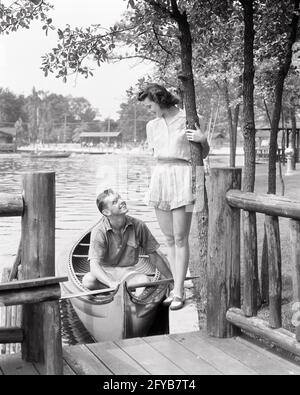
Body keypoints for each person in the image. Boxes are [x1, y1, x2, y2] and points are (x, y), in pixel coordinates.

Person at [138, 83, 210, 310]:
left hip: (184, 177)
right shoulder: (152, 126)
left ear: (159, 100)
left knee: (181, 238)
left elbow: (202, 154)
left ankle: (179, 291)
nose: (148, 110)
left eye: (150, 105)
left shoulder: (190, 118)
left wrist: (203, 139)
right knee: (168, 239)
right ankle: (174, 286)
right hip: (160, 177)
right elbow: (155, 154)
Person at [82, 189, 173, 292]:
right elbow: (94, 265)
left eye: (120, 197)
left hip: (129, 273)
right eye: (115, 202)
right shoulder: (99, 231)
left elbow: (155, 257)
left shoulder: (139, 226)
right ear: (106, 212)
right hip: (105, 273)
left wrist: (172, 281)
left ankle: (131, 297)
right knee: (88, 280)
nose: (121, 201)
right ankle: (117, 290)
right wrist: (110, 282)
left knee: (144, 280)